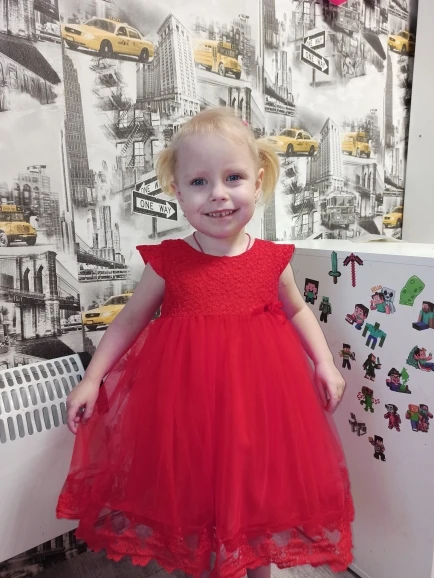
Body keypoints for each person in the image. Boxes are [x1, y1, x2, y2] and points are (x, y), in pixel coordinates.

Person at [56, 108, 354, 578]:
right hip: (187, 411)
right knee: (194, 497)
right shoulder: (169, 261)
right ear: (178, 192)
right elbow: (129, 320)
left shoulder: (272, 260)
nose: (218, 193)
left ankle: (254, 566)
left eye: (233, 177)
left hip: (260, 407)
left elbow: (298, 310)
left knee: (255, 496)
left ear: (258, 182)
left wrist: (324, 362)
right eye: (199, 182)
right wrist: (92, 378)